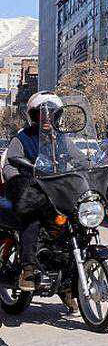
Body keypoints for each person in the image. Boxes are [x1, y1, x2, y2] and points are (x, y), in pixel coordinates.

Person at [2, 92, 60, 291]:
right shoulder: (22, 139)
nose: (47, 118)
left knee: (74, 220)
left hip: (55, 193)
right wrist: (20, 181)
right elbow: (9, 165)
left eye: (52, 114)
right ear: (34, 116)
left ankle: (69, 280)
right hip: (29, 192)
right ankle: (28, 269)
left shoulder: (61, 140)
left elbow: (77, 160)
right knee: (32, 218)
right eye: (42, 114)